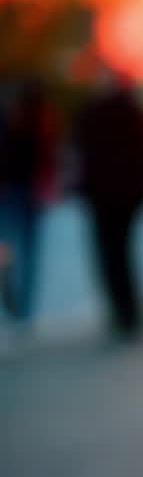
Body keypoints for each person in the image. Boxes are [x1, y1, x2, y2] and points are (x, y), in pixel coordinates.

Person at [74, 68, 143, 341]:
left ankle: (121, 312)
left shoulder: (94, 114)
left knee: (110, 256)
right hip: (125, 199)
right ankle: (129, 311)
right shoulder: (135, 114)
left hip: (104, 199)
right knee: (123, 254)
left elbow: (85, 158)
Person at [0, 79, 57, 328]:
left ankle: (16, 300)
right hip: (26, 194)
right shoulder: (43, 123)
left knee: (11, 249)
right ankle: (23, 308)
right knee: (28, 253)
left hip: (14, 193)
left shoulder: (12, 121)